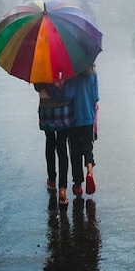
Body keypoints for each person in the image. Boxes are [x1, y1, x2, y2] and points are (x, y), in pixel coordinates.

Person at [51, 65, 100, 197]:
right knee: (88, 148)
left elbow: (68, 94)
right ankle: (90, 172)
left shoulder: (72, 76)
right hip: (89, 118)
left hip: (75, 120)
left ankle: (78, 185)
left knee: (75, 152)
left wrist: (52, 91)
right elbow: (96, 97)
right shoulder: (93, 75)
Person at [35, 82, 74, 206]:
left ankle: (52, 180)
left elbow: (37, 87)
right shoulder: (66, 63)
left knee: (50, 143)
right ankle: (63, 189)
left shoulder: (40, 65)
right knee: (62, 146)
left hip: (46, 108)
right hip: (64, 107)